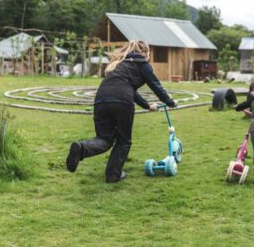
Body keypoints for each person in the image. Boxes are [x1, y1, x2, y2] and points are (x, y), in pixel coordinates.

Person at [66, 40, 176, 183]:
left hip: (100, 100)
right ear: (145, 52)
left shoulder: (119, 65)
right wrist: (170, 102)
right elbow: (156, 86)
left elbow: (129, 89)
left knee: (104, 139)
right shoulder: (142, 64)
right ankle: (113, 175)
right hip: (122, 102)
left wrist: (148, 105)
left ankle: (81, 148)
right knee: (124, 141)